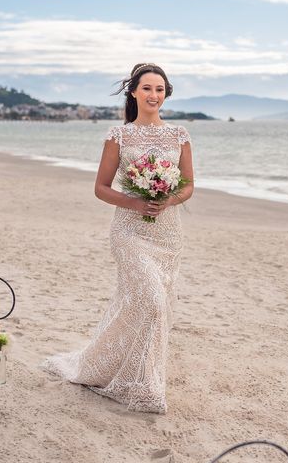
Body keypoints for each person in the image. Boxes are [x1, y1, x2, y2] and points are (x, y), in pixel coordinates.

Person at [40, 63, 194, 413]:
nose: (153, 95)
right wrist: (136, 201)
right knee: (150, 300)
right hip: (128, 231)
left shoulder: (180, 135)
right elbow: (100, 188)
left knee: (150, 307)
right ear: (134, 92)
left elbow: (188, 186)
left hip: (167, 234)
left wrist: (167, 199)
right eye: (147, 89)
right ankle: (130, 380)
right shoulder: (118, 136)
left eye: (159, 89)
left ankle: (141, 377)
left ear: (166, 93)